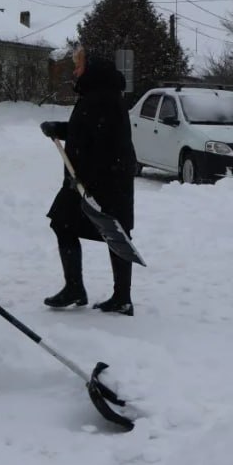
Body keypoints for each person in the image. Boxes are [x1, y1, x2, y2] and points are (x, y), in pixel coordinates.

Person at [39, 46, 137, 315]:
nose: (75, 71)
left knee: (113, 232)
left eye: (78, 66)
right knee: (69, 224)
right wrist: (59, 129)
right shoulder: (99, 95)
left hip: (102, 182)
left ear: (90, 69)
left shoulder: (102, 98)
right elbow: (85, 131)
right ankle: (86, 290)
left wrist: (87, 179)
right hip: (91, 180)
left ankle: (114, 296)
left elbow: (103, 143)